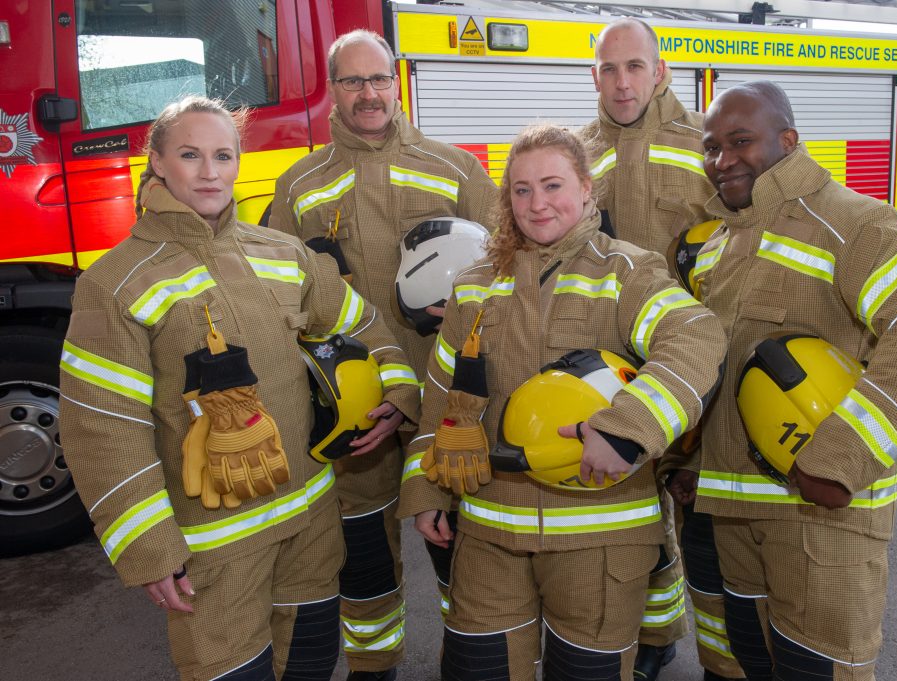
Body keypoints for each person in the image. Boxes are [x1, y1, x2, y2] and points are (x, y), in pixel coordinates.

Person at [58, 95, 420, 681]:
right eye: (190, 154)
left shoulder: (281, 252)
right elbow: (101, 427)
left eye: (223, 155)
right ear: (156, 162)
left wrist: (397, 393)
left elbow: (361, 323)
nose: (208, 171)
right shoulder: (116, 282)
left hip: (311, 530)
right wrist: (147, 544)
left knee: (309, 664)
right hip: (216, 550)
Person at [397, 123, 727, 680]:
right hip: (490, 530)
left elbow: (696, 336)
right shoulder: (476, 282)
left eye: (552, 186)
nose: (536, 203)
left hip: (599, 540)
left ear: (586, 191)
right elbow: (441, 395)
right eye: (521, 190)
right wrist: (426, 487)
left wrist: (630, 428)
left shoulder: (627, 271)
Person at [689, 81, 897, 680]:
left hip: (822, 525)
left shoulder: (852, 223)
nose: (722, 159)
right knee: (747, 668)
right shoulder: (716, 246)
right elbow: (718, 374)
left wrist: (841, 458)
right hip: (734, 518)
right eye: (710, 147)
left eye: (741, 141)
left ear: (788, 141)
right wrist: (689, 465)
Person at [268, 29, 498, 680]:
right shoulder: (297, 185)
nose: (367, 94)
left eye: (378, 79)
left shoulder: (456, 168)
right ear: (332, 92)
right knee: (363, 555)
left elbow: (505, 271)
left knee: (461, 548)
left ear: (395, 80)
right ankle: (375, 667)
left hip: (445, 396)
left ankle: (472, 658)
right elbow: (279, 292)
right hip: (354, 407)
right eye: (351, 81)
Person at [582, 18, 744, 681]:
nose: (623, 83)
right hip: (608, 368)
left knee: (707, 524)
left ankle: (725, 660)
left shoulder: (704, 146)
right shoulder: (576, 152)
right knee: (633, 518)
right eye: (610, 69)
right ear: (594, 76)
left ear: (662, 72)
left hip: (694, 366)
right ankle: (654, 640)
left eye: (635, 67)